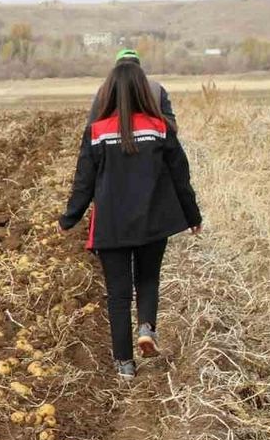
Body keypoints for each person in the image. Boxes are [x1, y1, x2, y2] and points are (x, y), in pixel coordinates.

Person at [59, 61, 201, 380]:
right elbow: (181, 175)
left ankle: (124, 365)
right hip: (153, 220)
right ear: (143, 90)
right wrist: (193, 215)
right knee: (148, 278)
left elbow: (84, 180)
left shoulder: (96, 132)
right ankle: (147, 327)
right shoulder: (159, 127)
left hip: (111, 224)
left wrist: (69, 218)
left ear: (108, 92)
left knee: (118, 294)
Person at [88, 49, 176, 126]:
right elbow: (171, 124)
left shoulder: (104, 89)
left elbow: (91, 124)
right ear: (139, 68)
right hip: (152, 141)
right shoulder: (157, 88)